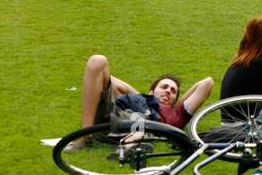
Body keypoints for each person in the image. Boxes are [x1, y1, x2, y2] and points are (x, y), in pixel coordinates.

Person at [77, 54, 214, 130]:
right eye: (164, 87)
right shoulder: (137, 100)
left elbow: (207, 83)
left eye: (173, 91)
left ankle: (86, 133)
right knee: (97, 61)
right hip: (115, 114)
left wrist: (177, 104)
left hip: (130, 126)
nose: (168, 91)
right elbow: (103, 78)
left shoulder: (177, 115)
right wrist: (143, 97)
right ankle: (85, 134)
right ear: (150, 92)